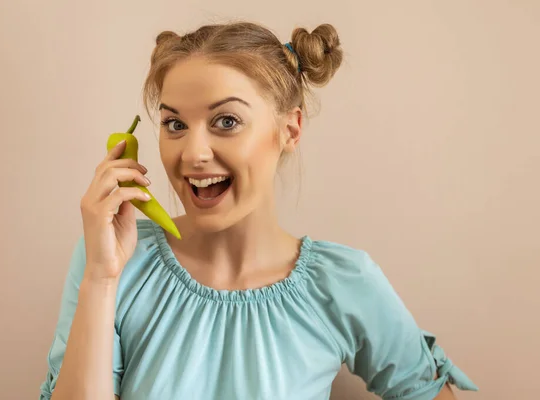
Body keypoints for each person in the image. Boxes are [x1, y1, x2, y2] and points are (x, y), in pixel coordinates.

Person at [39, 21, 478, 400]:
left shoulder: (343, 285)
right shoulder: (114, 262)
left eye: (226, 121)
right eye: (175, 124)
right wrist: (101, 277)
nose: (192, 154)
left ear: (289, 129)